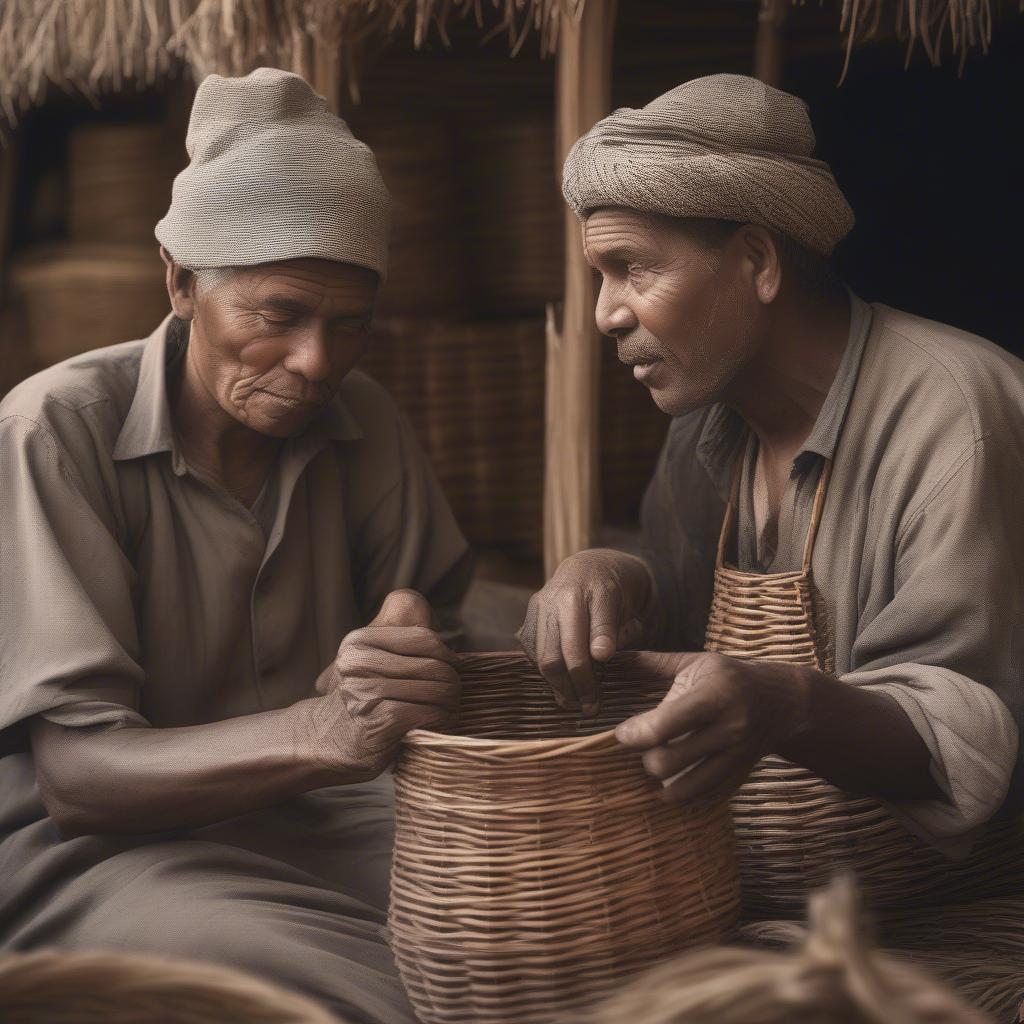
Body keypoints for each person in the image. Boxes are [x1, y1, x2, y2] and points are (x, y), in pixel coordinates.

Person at [519, 73, 1024, 1015]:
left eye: (634, 268)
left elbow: (969, 740)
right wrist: (602, 574)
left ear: (756, 260)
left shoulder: (959, 417)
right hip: (764, 905)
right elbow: (673, 612)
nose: (605, 314)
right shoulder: (707, 427)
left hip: (954, 919)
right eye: (601, 277)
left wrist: (784, 701)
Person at [0, 68, 471, 1024]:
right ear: (180, 282)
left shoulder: (362, 419)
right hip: (92, 853)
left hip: (321, 817)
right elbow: (82, 779)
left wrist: (430, 650)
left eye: (350, 327)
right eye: (278, 316)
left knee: (523, 923)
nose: (315, 364)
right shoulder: (54, 431)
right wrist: (318, 731)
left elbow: (442, 646)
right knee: (371, 997)